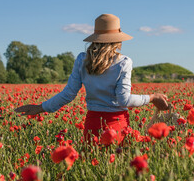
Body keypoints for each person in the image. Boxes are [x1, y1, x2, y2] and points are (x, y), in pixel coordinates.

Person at [15, 14, 169, 145]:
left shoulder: (82, 60)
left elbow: (68, 94)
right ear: (117, 39)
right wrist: (152, 97)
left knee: (95, 163)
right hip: (117, 126)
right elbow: (124, 100)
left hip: (92, 125)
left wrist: (41, 107)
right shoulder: (124, 62)